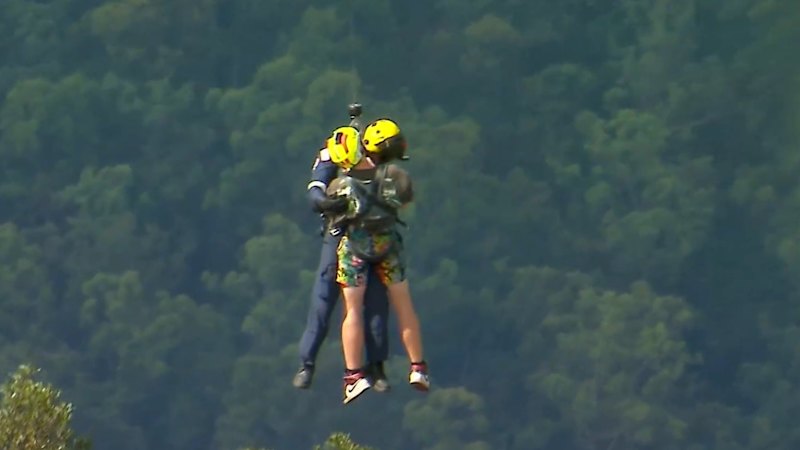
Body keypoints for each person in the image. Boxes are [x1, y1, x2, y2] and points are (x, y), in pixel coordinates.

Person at [324, 120, 430, 404]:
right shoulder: (397, 176)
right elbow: (403, 204)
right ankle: (417, 367)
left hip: (355, 247)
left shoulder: (342, 183)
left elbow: (331, 208)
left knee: (353, 311)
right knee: (404, 305)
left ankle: (353, 377)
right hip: (387, 244)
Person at [293, 113, 392, 392]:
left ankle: (377, 367)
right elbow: (315, 188)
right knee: (323, 299)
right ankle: (307, 363)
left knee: (375, 302)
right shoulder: (328, 155)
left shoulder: (372, 153)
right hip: (339, 234)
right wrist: (326, 203)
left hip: (370, 235)